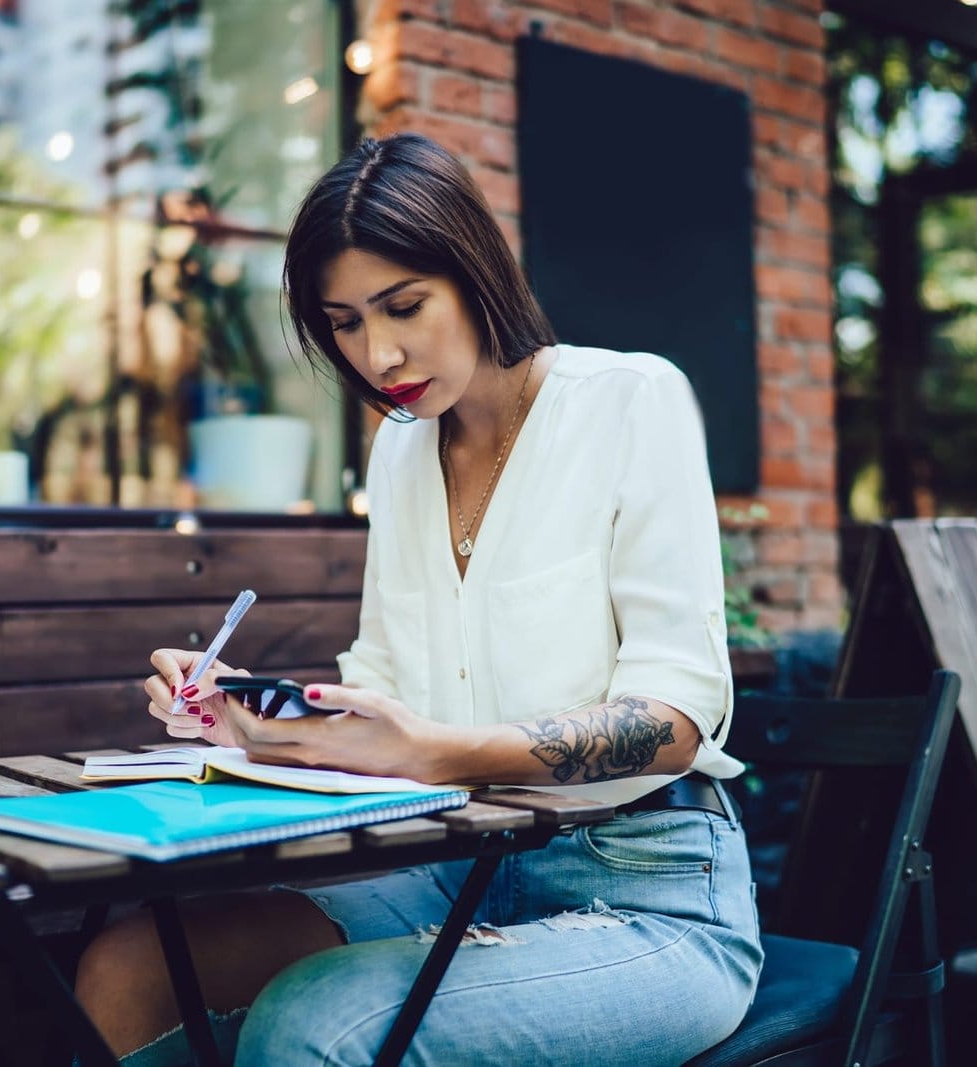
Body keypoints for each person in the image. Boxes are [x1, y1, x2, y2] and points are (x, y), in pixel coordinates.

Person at [74, 133, 763, 1066]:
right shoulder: (402, 449)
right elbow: (382, 685)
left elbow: (677, 718)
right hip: (451, 866)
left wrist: (433, 749)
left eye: (404, 305)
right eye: (345, 322)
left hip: (646, 883)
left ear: (475, 271)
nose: (379, 352)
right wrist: (253, 711)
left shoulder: (629, 399)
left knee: (318, 1025)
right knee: (133, 967)